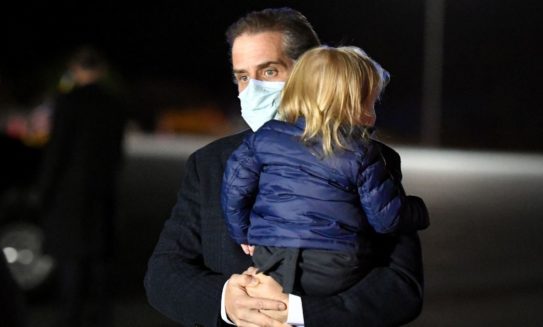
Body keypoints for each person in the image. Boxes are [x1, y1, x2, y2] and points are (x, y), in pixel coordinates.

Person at [145, 7, 426, 327]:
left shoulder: (370, 158)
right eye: (242, 77)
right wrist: (226, 300)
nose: (253, 90)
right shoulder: (209, 164)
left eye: (268, 72)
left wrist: (298, 311)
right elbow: (164, 273)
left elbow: (402, 286)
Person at [221, 45, 429, 299]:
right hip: (335, 267)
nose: (373, 114)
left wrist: (242, 232)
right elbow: (386, 220)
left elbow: (234, 189)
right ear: (352, 104)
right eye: (372, 103)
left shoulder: (264, 137)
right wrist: (418, 210)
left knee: (273, 303)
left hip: (271, 258)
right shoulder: (362, 152)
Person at [35, 46, 126, 327]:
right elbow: (116, 153)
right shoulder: (113, 104)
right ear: (100, 71)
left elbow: (57, 151)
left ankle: (70, 315)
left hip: (69, 193)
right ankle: (101, 315)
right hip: (102, 190)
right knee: (99, 257)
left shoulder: (67, 102)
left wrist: (44, 191)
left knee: (72, 258)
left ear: (75, 69)